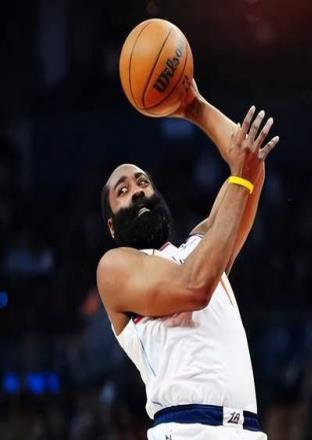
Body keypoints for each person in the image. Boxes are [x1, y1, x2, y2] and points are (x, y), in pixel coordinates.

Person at [96, 82, 279, 440]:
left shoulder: (203, 246)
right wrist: (241, 175)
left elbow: (250, 169)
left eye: (142, 182)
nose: (137, 192)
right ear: (112, 226)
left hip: (246, 430)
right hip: (185, 429)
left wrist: (196, 107)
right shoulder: (115, 268)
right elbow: (195, 287)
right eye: (123, 191)